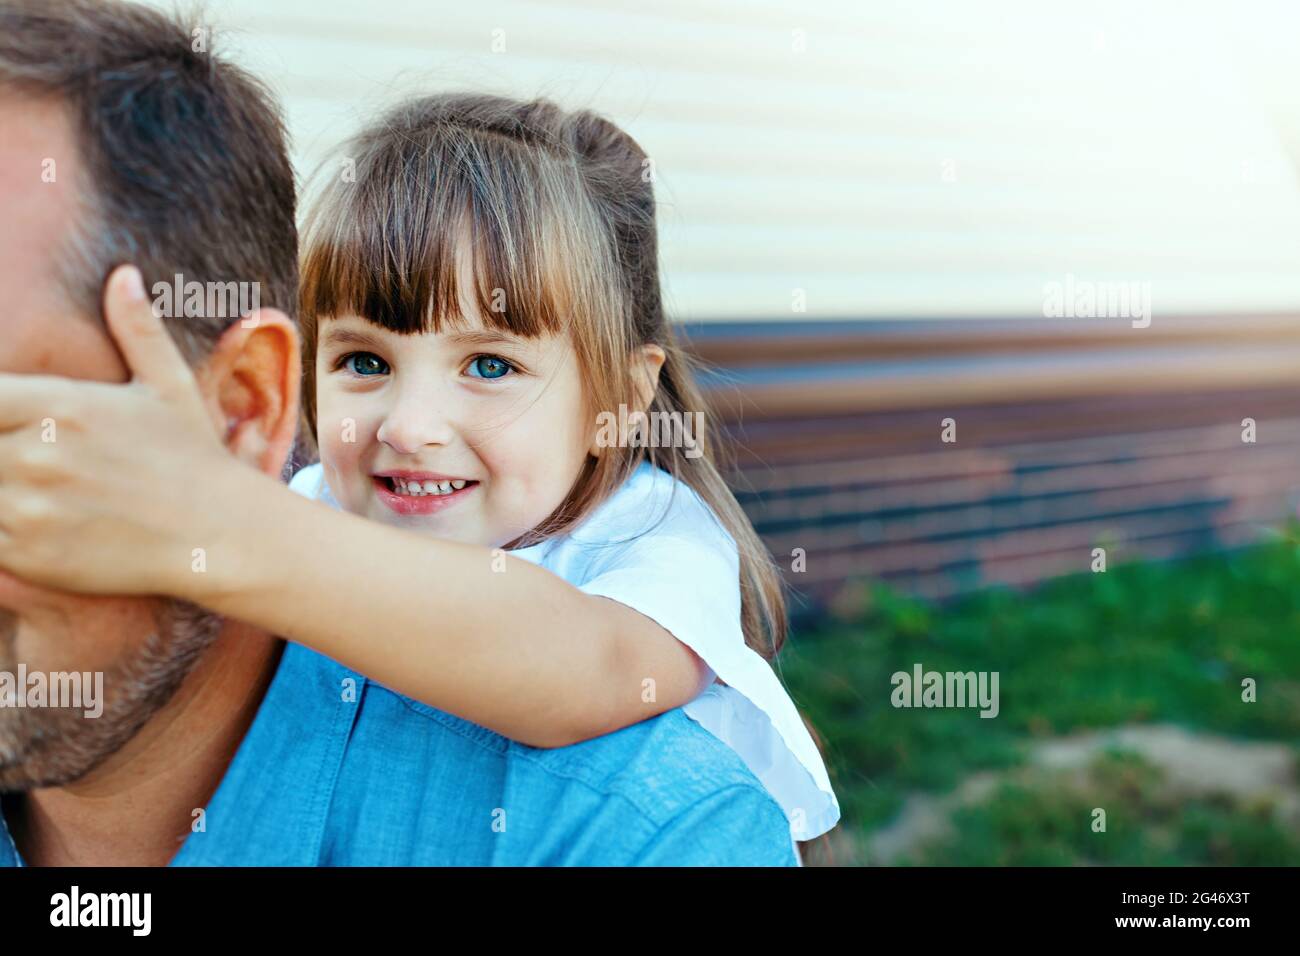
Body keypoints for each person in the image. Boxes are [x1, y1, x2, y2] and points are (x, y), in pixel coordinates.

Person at [0, 0, 797, 866]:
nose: (410, 427)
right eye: (365, 363)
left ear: (624, 398)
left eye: (490, 366)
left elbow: (587, 673)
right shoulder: (312, 505)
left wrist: (209, 519)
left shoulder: (648, 540)